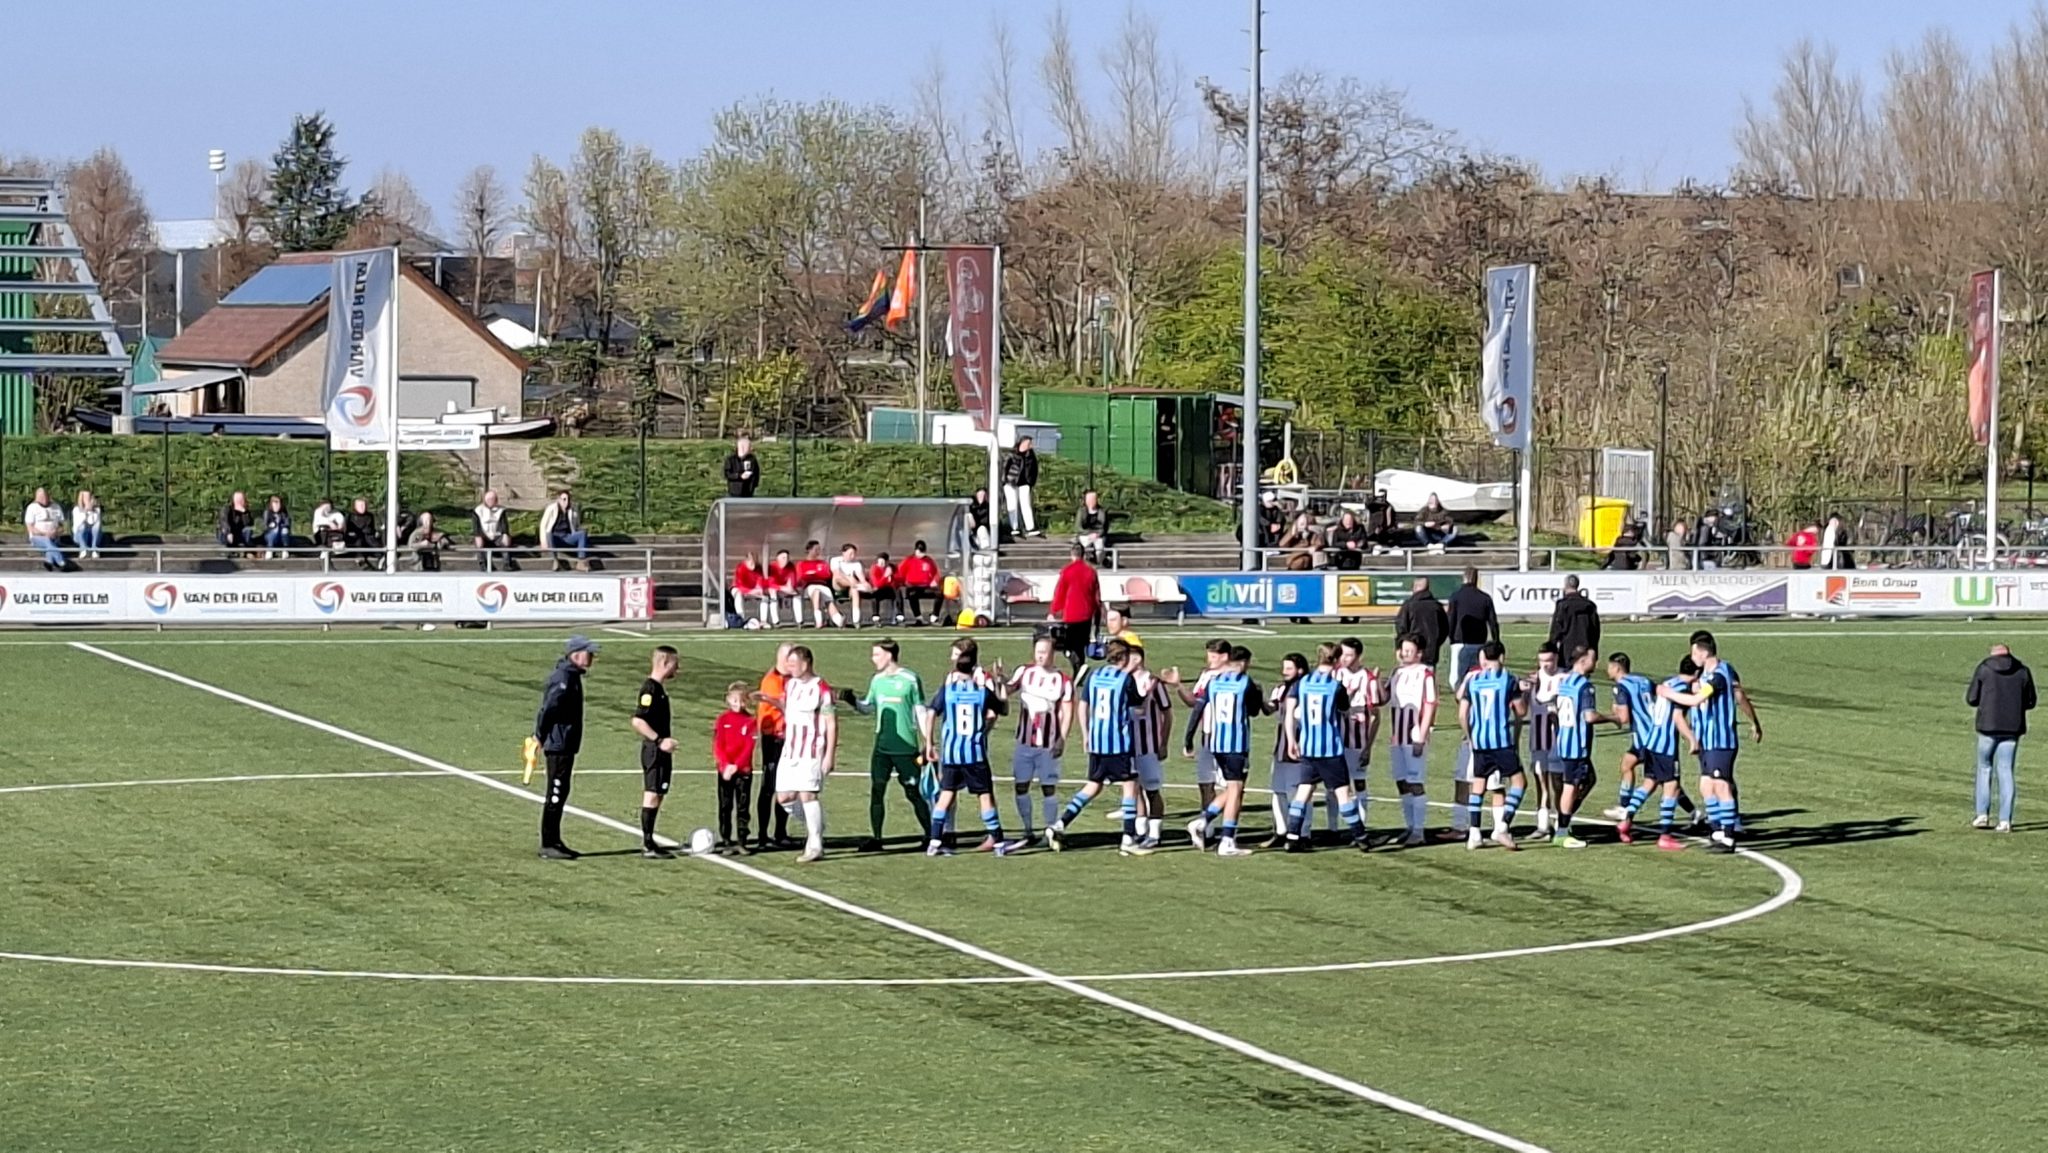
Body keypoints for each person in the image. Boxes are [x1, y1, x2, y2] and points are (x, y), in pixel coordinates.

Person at [1044, 638, 1149, 855]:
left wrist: (1086, 734)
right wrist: (1149, 691)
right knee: (1130, 786)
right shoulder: (1125, 679)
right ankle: (1128, 839)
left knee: (1093, 786)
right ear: (1124, 658)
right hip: (1119, 743)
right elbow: (1139, 706)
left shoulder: (1095, 675)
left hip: (1098, 741)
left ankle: (1060, 824)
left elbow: (1083, 705)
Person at [920, 638, 1021, 856]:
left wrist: (929, 742)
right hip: (974, 753)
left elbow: (931, 712)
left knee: (946, 796)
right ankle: (999, 844)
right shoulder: (981, 691)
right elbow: (1002, 709)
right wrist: (1001, 683)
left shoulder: (947, 690)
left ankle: (934, 842)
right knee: (985, 796)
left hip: (952, 753)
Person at [1174, 644, 1265, 857]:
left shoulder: (1214, 682)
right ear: (1243, 663)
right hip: (1236, 744)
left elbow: (1198, 708)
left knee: (1233, 789)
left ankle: (1203, 821)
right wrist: (1258, 695)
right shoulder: (1245, 682)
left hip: (1216, 743)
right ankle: (1225, 840)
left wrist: (1188, 738)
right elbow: (1253, 711)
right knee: (1235, 790)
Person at [1658, 635, 1745, 853]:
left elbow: (1697, 700)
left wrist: (1669, 693)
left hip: (1721, 740)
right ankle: (1716, 830)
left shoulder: (1718, 675)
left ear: (1704, 652)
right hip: (1708, 741)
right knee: (1706, 786)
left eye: (1694, 652)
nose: (1692, 656)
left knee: (1721, 786)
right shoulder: (1709, 674)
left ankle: (1728, 836)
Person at [1281, 644, 1370, 852]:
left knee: (1303, 792)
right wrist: (1350, 695)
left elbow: (1289, 713)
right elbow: (1344, 709)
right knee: (1343, 794)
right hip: (1330, 749)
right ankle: (1361, 836)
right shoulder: (1335, 686)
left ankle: (1292, 836)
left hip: (1308, 746)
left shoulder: (1301, 683)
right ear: (1337, 660)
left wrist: (1291, 741)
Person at [846, 639, 932, 852]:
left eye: (876, 654)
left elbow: (920, 712)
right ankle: (877, 838)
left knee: (913, 792)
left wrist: (928, 742)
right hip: (882, 749)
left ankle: (931, 834)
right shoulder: (877, 681)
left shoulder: (910, 680)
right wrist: (852, 701)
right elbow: (868, 707)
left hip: (906, 749)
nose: (872, 659)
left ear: (889, 655)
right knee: (877, 791)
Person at [1614, 655, 1697, 851]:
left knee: (1648, 784)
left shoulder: (1669, 682)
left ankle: (1625, 820)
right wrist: (1692, 739)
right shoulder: (1683, 689)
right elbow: (1677, 717)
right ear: (1696, 673)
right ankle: (1665, 835)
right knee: (1672, 788)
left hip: (1651, 742)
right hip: (1666, 746)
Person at [1457, 640, 1529, 850]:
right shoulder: (1508, 679)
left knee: (1477, 786)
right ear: (1502, 657)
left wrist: (1470, 736)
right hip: (1501, 741)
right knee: (1519, 783)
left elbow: (1462, 714)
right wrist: (1524, 693)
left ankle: (1474, 834)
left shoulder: (1474, 680)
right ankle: (1503, 825)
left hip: (1479, 741)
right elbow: (1521, 711)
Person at [533, 635, 598, 859]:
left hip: (565, 743)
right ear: (576, 654)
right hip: (558, 744)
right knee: (556, 791)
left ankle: (554, 840)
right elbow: (549, 708)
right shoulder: (563, 678)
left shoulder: (571, 676)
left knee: (561, 791)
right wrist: (539, 737)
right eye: (589, 652)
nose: (593, 657)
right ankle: (548, 842)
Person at [1007, 635, 1074, 841]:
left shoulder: (1062, 681)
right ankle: (1027, 829)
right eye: (1037, 651)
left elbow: (1067, 711)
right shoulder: (1024, 672)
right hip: (1024, 742)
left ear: (1053, 654)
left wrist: (1062, 738)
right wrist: (1000, 681)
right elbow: (1007, 691)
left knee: (1048, 788)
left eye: (1044, 652)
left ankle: (1049, 829)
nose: (1040, 656)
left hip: (1048, 744)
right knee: (1021, 785)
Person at [774, 645, 837, 863]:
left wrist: (829, 754)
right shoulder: (790, 685)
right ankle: (817, 825)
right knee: (784, 797)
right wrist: (767, 700)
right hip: (790, 750)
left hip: (812, 750)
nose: (788, 667)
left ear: (806, 662)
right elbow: (787, 708)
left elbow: (830, 722)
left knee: (807, 794)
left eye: (792, 663)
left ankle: (815, 844)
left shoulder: (821, 688)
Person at [1968, 643, 2035, 833]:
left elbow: (1972, 698)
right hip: (2012, 729)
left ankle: (1982, 814)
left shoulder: (1984, 669)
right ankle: (2005, 820)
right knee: (2006, 771)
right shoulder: (2022, 671)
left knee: (1984, 768)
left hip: (1987, 727)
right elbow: (2031, 701)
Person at [1548, 645, 1605, 848]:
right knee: (1571, 786)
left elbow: (1554, 710)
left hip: (1564, 741)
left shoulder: (1564, 683)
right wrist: (1613, 718)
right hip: (1577, 745)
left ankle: (1563, 822)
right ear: (1582, 661)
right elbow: (1589, 716)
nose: (1596, 663)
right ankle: (1562, 830)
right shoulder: (1585, 686)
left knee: (1586, 779)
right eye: (1593, 659)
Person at [1386, 635, 1439, 846]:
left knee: (1415, 782)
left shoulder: (1425, 674)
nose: (1405, 653)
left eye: (1410, 650)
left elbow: (1430, 704)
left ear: (1419, 653)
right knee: (1401, 781)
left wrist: (1422, 735)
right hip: (1397, 736)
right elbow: (1384, 698)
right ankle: (1409, 827)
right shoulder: (1396, 673)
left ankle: (1419, 831)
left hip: (1414, 735)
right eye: (1403, 649)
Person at [630, 646, 681, 859]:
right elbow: (638, 720)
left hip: (660, 750)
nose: (677, 670)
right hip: (654, 750)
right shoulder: (649, 689)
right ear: (665, 663)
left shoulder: (658, 689)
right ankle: (648, 844)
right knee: (651, 794)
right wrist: (659, 741)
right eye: (675, 665)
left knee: (658, 794)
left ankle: (650, 841)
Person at [1126, 639, 1173, 850]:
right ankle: (1140, 830)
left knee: (1151, 789)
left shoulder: (1154, 683)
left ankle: (1155, 833)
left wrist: (1163, 742)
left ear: (1138, 658)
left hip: (1149, 745)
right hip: (1128, 745)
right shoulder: (1124, 681)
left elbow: (1167, 713)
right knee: (1132, 788)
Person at [1334, 638, 1382, 837]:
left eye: (1349, 655)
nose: (1344, 659)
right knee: (1335, 784)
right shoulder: (1335, 674)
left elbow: (1375, 716)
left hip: (1357, 739)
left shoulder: (1368, 679)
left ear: (1359, 656)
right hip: (1336, 739)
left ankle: (1361, 824)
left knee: (1359, 782)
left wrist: (1368, 747)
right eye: (1342, 654)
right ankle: (1333, 827)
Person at [1181, 638, 1235, 813]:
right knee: (1205, 782)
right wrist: (1179, 686)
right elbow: (1194, 703)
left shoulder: (1236, 678)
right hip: (1207, 735)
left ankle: (1226, 829)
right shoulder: (1207, 675)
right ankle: (1208, 829)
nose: (1209, 659)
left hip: (1228, 737)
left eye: (1213, 656)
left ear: (1225, 656)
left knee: (1232, 786)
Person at [1264, 653, 1309, 848]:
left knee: (1297, 792)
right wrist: (1258, 697)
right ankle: (1281, 831)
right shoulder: (1281, 689)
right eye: (1284, 668)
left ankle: (1302, 832)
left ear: (1300, 670)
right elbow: (1269, 709)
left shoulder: (1307, 689)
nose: (1285, 672)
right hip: (1281, 747)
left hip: (1298, 748)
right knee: (1278, 791)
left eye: (1289, 668)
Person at [754, 644, 795, 850]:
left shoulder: (788, 679)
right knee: (770, 786)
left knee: (785, 786)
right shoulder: (773, 681)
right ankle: (763, 834)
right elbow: (784, 705)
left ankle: (780, 832)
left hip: (786, 737)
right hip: (774, 738)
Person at [712, 681, 758, 855]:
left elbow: (748, 747)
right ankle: (725, 839)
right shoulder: (723, 720)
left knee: (743, 806)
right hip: (725, 770)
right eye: (736, 701)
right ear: (729, 700)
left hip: (743, 770)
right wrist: (725, 765)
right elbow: (718, 745)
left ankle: (742, 840)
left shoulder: (751, 722)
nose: (740, 705)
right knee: (725, 805)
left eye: (743, 701)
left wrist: (737, 765)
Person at [1527, 642, 1565, 839]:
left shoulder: (1564, 678)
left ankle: (1561, 822)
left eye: (1549, 660)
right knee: (1540, 777)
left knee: (1558, 780)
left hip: (1558, 735)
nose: (1545, 665)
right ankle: (1543, 824)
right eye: (1542, 660)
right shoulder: (1534, 678)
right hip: (1538, 733)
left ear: (1556, 658)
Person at [1048, 543, 1103, 672]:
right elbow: (1096, 596)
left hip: (1070, 614)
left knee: (1067, 645)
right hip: (1087, 614)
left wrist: (1054, 611)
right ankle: (1080, 668)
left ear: (1071, 554)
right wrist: (1098, 613)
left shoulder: (1067, 571)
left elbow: (1060, 592)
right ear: (1083, 555)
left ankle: (1076, 665)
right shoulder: (1091, 572)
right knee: (1081, 644)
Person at [1447, 567, 1500, 681]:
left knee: (1457, 677)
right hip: (1479, 641)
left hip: (1459, 641)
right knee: (1479, 674)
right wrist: (1496, 640)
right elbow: (1492, 622)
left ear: (1463, 578)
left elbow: (1451, 619)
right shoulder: (1485, 598)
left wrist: (1451, 637)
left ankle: (1461, 695)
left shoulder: (1455, 597)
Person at [1395, 576, 1449, 669]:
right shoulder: (1437, 607)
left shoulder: (1408, 606)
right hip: (1431, 654)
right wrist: (1435, 643)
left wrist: (1402, 646)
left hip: (1411, 654)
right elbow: (1444, 630)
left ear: (1415, 587)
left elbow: (1401, 628)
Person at [1546, 574, 1601, 661]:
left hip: (1566, 651)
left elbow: (1556, 631)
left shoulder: (1562, 605)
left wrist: (1550, 651)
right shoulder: (1590, 606)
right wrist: (1594, 653)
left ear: (1565, 586)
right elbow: (1595, 632)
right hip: (1585, 649)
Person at [538, 490, 592, 571]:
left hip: (566, 537)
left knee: (582, 533)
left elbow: (577, 525)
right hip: (555, 537)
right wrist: (543, 542)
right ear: (559, 500)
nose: (566, 502)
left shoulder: (573, 510)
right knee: (549, 534)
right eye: (564, 499)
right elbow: (543, 525)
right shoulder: (551, 509)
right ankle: (555, 561)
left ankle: (581, 562)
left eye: (567, 499)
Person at [1002, 436, 1042, 538]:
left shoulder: (1031, 455)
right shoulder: (1012, 454)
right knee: (1012, 505)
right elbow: (1005, 467)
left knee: (1026, 504)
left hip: (1024, 483)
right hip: (1011, 482)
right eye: (1028, 443)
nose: (1030, 446)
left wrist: (1031, 482)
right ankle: (1014, 527)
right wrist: (1005, 481)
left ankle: (1030, 527)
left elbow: (1034, 469)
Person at [792, 540, 837, 628]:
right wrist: (814, 574)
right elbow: (801, 577)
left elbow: (826, 575)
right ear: (809, 550)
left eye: (819, 549)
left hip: (823, 586)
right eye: (816, 549)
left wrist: (812, 574)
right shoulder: (801, 564)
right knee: (816, 591)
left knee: (827, 599)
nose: (818, 552)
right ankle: (818, 620)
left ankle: (838, 619)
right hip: (809, 587)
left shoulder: (823, 563)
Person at [830, 543, 875, 627]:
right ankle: (855, 585)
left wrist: (866, 584)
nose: (852, 556)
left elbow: (862, 578)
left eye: (854, 553)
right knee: (838, 577)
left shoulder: (857, 564)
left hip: (851, 587)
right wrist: (850, 579)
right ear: (844, 553)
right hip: (838, 586)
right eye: (850, 553)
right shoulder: (835, 560)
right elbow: (837, 573)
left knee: (855, 591)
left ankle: (856, 620)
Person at [899, 541, 942, 624]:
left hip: (926, 587)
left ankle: (934, 616)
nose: (921, 554)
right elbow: (900, 573)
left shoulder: (929, 560)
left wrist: (934, 581)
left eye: (922, 552)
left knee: (939, 593)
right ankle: (918, 617)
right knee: (912, 595)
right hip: (913, 587)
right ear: (915, 550)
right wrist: (905, 583)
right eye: (919, 551)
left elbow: (935, 573)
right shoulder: (908, 560)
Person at [23, 487, 65, 570]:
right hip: (37, 537)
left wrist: (55, 532)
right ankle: (61, 562)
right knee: (47, 541)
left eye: (45, 496)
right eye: (41, 497)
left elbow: (62, 526)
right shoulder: (31, 508)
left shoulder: (56, 507)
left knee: (50, 542)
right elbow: (30, 527)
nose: (44, 499)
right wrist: (44, 534)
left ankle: (49, 561)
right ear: (36, 497)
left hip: (54, 536)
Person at [473, 490, 516, 570]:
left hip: (497, 536)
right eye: (488, 499)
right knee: (478, 542)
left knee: (505, 540)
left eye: (492, 499)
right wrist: (478, 535)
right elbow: (476, 527)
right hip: (483, 535)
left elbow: (504, 525)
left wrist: (505, 534)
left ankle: (507, 564)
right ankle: (484, 565)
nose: (490, 501)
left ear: (496, 500)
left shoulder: (501, 510)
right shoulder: (478, 511)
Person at [731, 553, 770, 626]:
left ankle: (763, 621)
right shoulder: (740, 568)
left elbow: (760, 583)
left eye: (754, 562)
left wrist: (759, 590)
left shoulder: (758, 568)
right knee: (738, 594)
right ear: (746, 561)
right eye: (751, 562)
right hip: (739, 589)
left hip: (753, 590)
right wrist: (752, 591)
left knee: (765, 597)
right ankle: (740, 619)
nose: (753, 565)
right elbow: (740, 586)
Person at [764, 548, 800, 627]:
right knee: (773, 594)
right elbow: (771, 584)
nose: (785, 560)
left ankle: (799, 621)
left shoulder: (791, 566)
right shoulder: (772, 566)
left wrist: (789, 588)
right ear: (777, 558)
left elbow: (792, 583)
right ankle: (775, 621)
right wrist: (783, 588)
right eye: (783, 558)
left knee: (797, 595)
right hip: (775, 590)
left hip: (786, 589)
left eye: (787, 558)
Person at [868, 552, 904, 625]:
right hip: (879, 590)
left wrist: (892, 578)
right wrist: (885, 576)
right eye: (879, 562)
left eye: (883, 562)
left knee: (898, 592)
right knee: (875, 594)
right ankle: (876, 617)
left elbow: (899, 580)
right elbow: (877, 584)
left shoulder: (892, 568)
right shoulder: (874, 568)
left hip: (890, 589)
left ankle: (900, 616)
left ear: (887, 562)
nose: (881, 564)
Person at [1074, 490, 1110, 563]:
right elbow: (1078, 527)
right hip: (1085, 534)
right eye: (1089, 499)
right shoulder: (1081, 511)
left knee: (1099, 548)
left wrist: (1097, 534)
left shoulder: (1102, 511)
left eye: (1093, 499)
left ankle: (1100, 562)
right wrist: (1089, 534)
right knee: (1085, 544)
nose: (1091, 501)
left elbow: (1104, 527)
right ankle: (1086, 560)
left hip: (1098, 535)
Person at [344, 497, 380, 569]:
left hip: (368, 537)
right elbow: (347, 530)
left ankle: (379, 555)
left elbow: (373, 528)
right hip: (355, 538)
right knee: (359, 540)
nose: (362, 507)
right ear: (355, 506)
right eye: (360, 505)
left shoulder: (370, 516)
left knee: (371, 539)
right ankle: (360, 558)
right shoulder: (350, 516)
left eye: (363, 505)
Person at [217, 491, 256, 555]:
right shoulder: (227, 509)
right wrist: (228, 532)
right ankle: (230, 550)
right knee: (225, 533)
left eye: (241, 499)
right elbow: (224, 521)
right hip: (227, 534)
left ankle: (247, 550)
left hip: (239, 534)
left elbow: (249, 525)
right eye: (237, 499)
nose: (239, 501)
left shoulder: (247, 512)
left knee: (248, 531)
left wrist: (244, 513)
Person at [71, 490, 105, 560]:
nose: (89, 501)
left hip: (93, 536)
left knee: (96, 527)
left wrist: (91, 511)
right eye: (87, 499)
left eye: (90, 498)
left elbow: (96, 524)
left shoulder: (97, 510)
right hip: (79, 536)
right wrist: (85, 512)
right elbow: (78, 525)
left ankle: (94, 549)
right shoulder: (76, 510)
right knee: (82, 527)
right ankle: (83, 549)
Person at [257, 495, 290, 559]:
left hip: (281, 536)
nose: (277, 505)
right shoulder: (267, 512)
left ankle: (285, 550)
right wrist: (271, 526)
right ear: (271, 504)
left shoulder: (283, 513)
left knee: (285, 530)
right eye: (275, 503)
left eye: (278, 503)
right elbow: (264, 526)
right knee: (275, 530)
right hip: (270, 535)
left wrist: (281, 526)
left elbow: (287, 524)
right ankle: (269, 550)